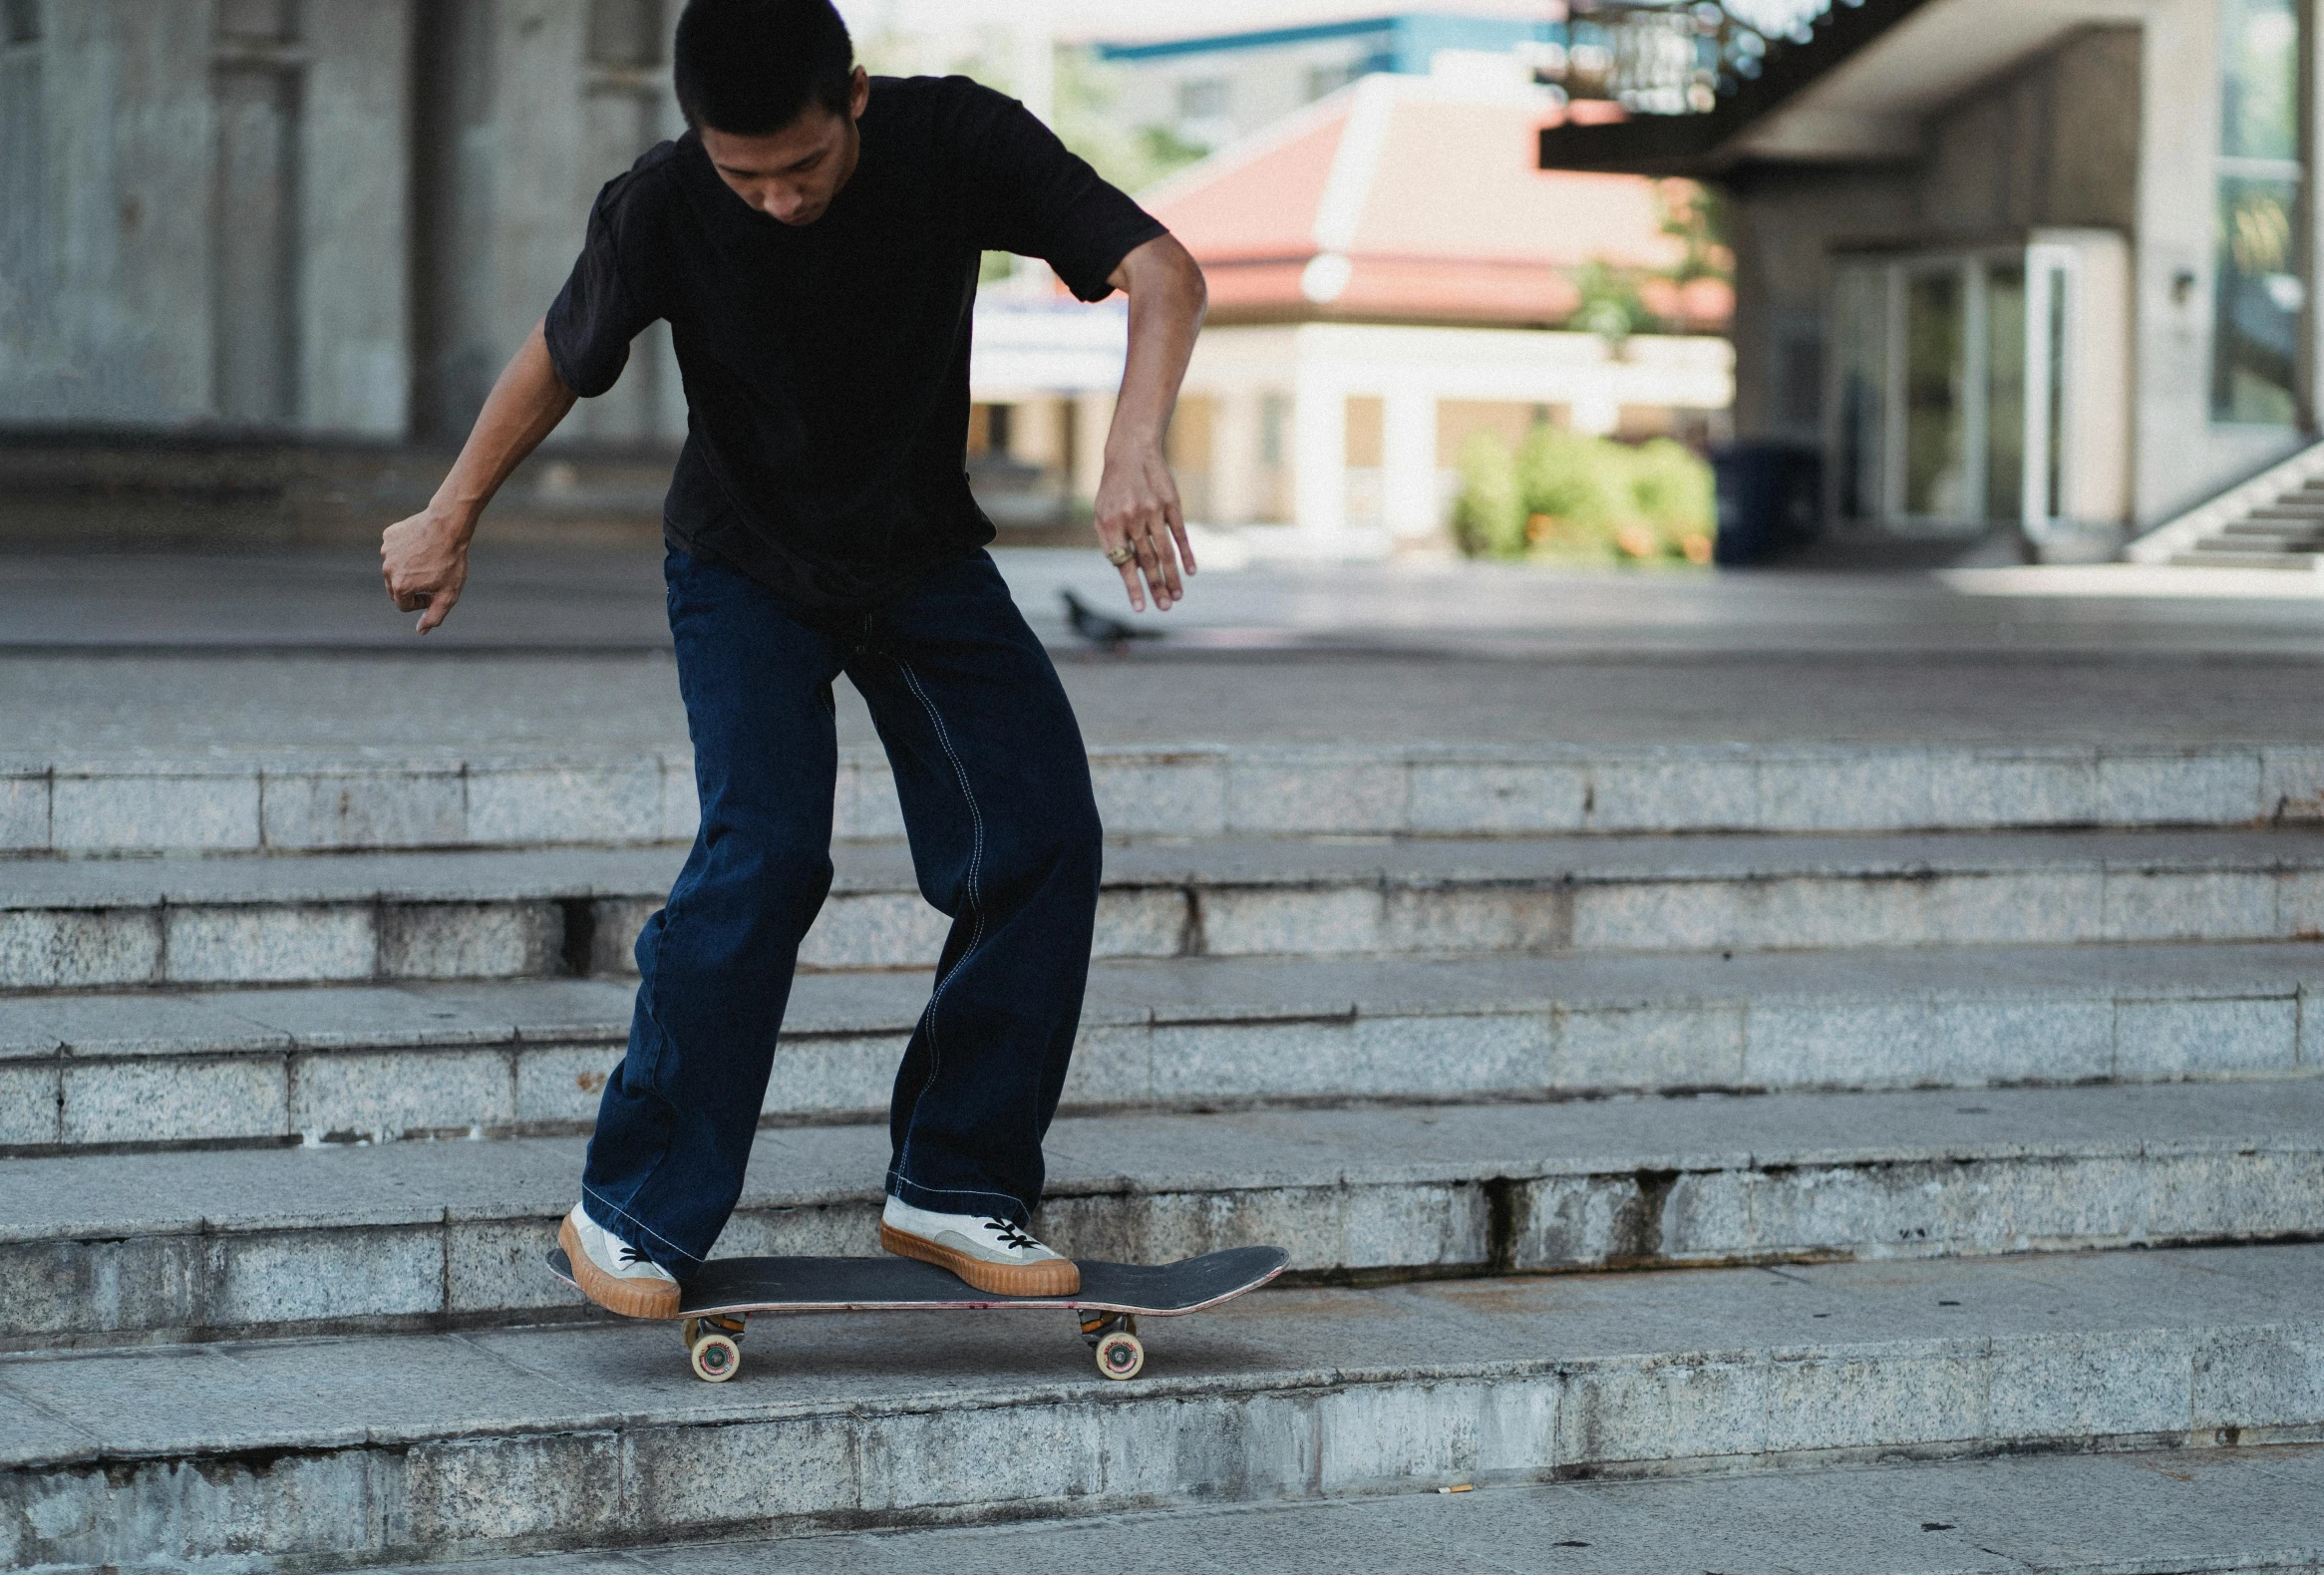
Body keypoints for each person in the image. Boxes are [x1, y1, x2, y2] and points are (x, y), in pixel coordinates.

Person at [378, 0, 1205, 1317]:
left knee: (1039, 832)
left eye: (800, 169)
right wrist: (452, 509)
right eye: (739, 172)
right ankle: (631, 1209)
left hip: (918, 557)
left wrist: (1133, 444)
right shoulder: (659, 201)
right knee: (766, 849)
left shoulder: (957, 138)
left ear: (856, 100)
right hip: (741, 566)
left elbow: (1162, 269)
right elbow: (560, 354)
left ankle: (952, 1179)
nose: (771, 199)